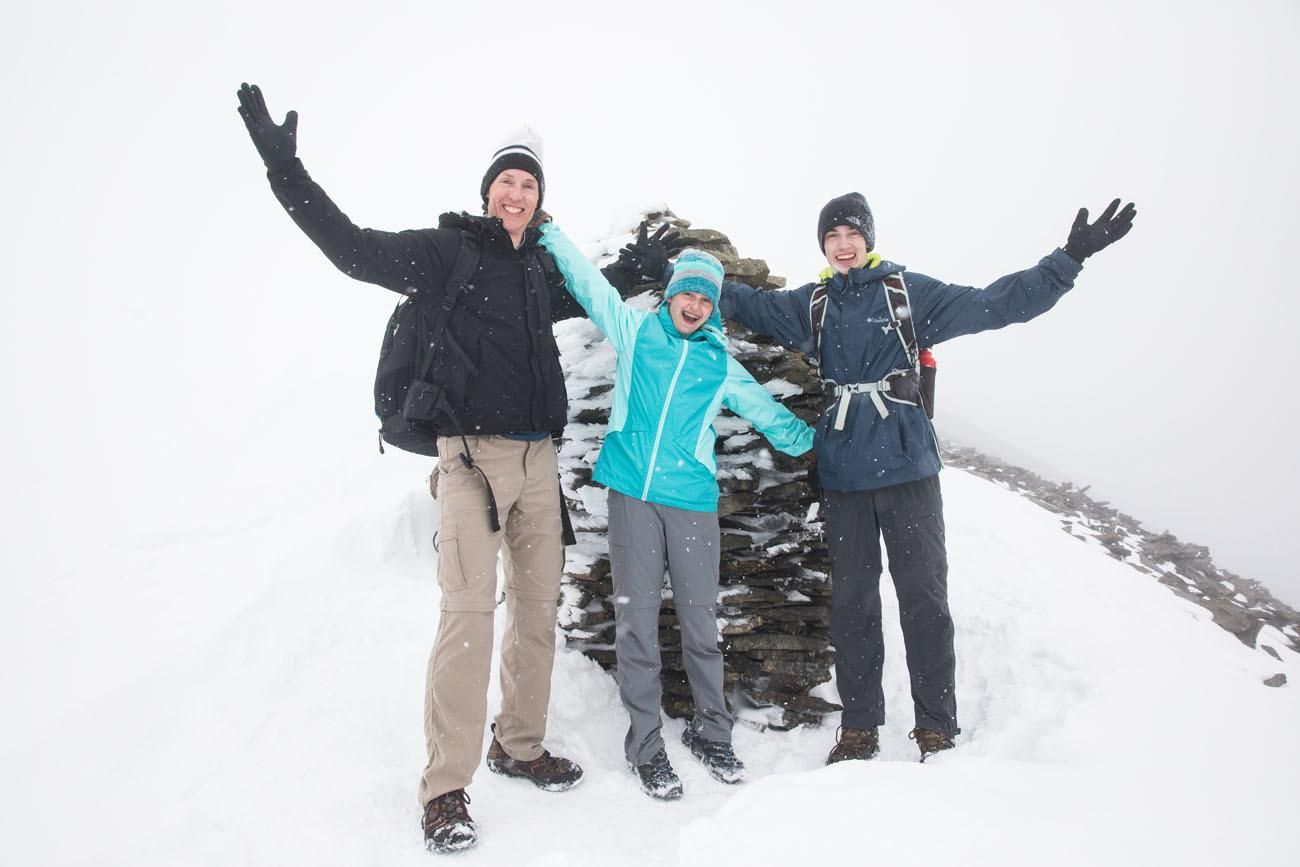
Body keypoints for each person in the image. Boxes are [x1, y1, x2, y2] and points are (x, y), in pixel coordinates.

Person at [623, 192, 1135, 763]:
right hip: (843, 474)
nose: (842, 246)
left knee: (924, 598)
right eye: (832, 237)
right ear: (823, 246)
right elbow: (740, 300)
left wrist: (1068, 260)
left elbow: (997, 304)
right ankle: (860, 726)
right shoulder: (811, 304)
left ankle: (936, 726)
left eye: (851, 235)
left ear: (868, 239)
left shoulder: (907, 294)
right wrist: (671, 274)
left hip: (908, 467)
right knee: (854, 605)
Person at [236, 82, 589, 855]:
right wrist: (284, 171)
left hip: (539, 462)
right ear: (487, 188)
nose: (517, 193)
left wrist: (646, 261)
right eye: (507, 180)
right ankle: (445, 788)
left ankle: (519, 744)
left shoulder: (542, 274)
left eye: (529, 184)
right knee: (467, 619)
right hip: (470, 462)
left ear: (540, 198)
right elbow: (352, 248)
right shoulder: (448, 252)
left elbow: (600, 301)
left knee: (535, 611)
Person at [538, 226, 815, 798]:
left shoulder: (720, 364)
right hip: (632, 495)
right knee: (637, 624)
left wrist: (826, 443)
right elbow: (591, 288)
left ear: (713, 306)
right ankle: (644, 744)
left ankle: (712, 732)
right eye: (687, 293)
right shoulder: (637, 334)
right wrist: (547, 228)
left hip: (692, 502)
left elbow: (772, 417)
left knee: (700, 625)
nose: (694, 304)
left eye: (705, 298)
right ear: (670, 294)